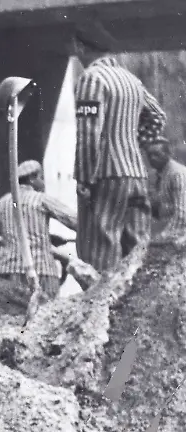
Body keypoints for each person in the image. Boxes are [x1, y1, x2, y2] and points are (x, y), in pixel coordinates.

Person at [74, 35, 166, 274]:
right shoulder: (132, 80)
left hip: (105, 176)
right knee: (137, 250)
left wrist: (84, 178)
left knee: (100, 249)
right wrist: (134, 142)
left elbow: (88, 133)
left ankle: (100, 308)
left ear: (81, 46)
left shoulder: (91, 78)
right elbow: (157, 116)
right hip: (136, 174)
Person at [0, 160, 79, 298]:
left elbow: (17, 231)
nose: (44, 183)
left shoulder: (3, 202)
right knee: (45, 313)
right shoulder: (41, 199)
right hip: (40, 270)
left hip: (7, 271)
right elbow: (75, 221)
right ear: (32, 179)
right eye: (42, 178)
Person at [145, 137, 186, 244]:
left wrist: (162, 237)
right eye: (149, 155)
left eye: (156, 154)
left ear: (168, 154)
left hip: (180, 232)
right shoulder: (157, 174)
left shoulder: (177, 174)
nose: (152, 158)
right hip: (167, 227)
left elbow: (182, 215)